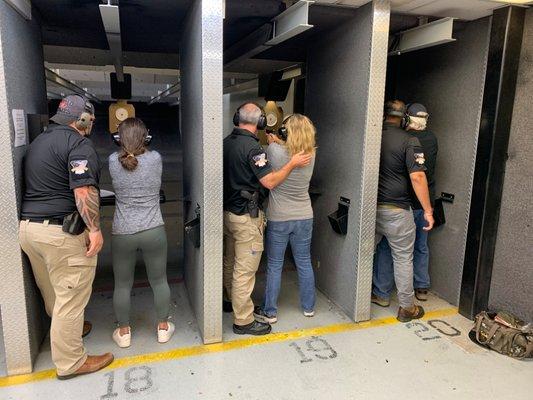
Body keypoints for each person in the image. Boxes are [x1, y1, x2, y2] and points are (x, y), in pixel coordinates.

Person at [19, 95, 113, 380]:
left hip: (30, 231)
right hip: (61, 233)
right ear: (81, 119)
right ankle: (71, 361)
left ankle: (66, 332)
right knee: (71, 297)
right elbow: (83, 190)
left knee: (54, 290)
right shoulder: (78, 144)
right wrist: (94, 229)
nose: (93, 124)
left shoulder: (39, 142)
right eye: (92, 119)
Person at [223, 102, 311, 335]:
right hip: (246, 217)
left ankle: (230, 300)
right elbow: (269, 182)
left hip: (229, 213)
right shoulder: (254, 149)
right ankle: (243, 320)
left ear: (236, 118)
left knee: (230, 261)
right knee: (245, 270)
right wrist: (291, 163)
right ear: (261, 122)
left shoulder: (226, 143)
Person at [108, 118, 173, 348]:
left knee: (122, 284)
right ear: (146, 137)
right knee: (159, 280)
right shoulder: (155, 159)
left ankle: (124, 332)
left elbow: (127, 157)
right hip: (153, 229)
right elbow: (143, 154)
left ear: (118, 139)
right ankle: (163, 328)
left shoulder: (112, 162)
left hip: (123, 232)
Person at [372, 99, 434, 323]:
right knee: (403, 258)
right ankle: (407, 308)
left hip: (370, 208)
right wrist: (427, 210)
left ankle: (372, 296)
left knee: (367, 253)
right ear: (404, 118)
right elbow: (418, 176)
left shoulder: (373, 136)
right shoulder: (410, 140)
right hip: (397, 209)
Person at [254, 114, 317, 324]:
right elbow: (292, 150)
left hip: (279, 217)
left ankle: (270, 311)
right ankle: (309, 307)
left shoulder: (274, 151)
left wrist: (272, 142)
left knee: (274, 264)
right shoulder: (311, 154)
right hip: (305, 216)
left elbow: (275, 156)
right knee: (304, 261)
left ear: (284, 132)